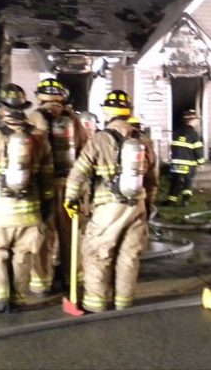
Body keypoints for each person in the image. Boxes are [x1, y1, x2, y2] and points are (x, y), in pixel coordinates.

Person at [63, 89, 150, 312]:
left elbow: (79, 171)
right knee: (128, 255)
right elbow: (153, 178)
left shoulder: (99, 139)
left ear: (106, 112)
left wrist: (70, 198)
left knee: (97, 253)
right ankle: (123, 302)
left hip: (107, 208)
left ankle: (95, 303)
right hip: (136, 205)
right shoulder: (142, 140)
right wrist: (147, 205)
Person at [0, 83, 55, 313]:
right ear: (24, 108)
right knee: (23, 254)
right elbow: (47, 174)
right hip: (30, 205)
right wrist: (47, 202)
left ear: (1, 109)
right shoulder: (39, 137)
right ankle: (17, 298)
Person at [27, 78, 87, 295]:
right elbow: (84, 149)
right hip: (70, 184)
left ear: (39, 97)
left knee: (43, 234)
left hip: (44, 185)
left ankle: (42, 283)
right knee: (71, 234)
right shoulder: (73, 119)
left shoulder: (34, 117)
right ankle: (73, 278)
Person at [164, 109, 204, 207]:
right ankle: (185, 201)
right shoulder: (193, 134)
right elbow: (198, 149)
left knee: (175, 182)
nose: (198, 122)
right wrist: (201, 161)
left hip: (176, 162)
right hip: (189, 163)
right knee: (187, 182)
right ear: (191, 120)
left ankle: (171, 201)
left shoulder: (177, 132)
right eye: (196, 120)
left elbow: (173, 147)